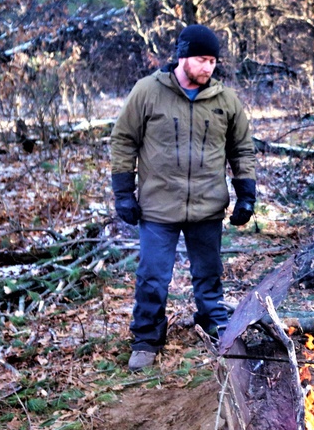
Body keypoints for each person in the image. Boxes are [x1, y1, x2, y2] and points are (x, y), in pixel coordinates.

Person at [110, 24, 257, 371]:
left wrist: (246, 195)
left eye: (213, 61)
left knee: (209, 273)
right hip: (158, 206)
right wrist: (123, 194)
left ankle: (214, 324)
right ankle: (146, 338)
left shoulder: (226, 100)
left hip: (207, 204)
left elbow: (242, 149)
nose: (208, 67)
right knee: (152, 275)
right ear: (183, 57)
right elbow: (123, 140)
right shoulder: (148, 91)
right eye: (202, 60)